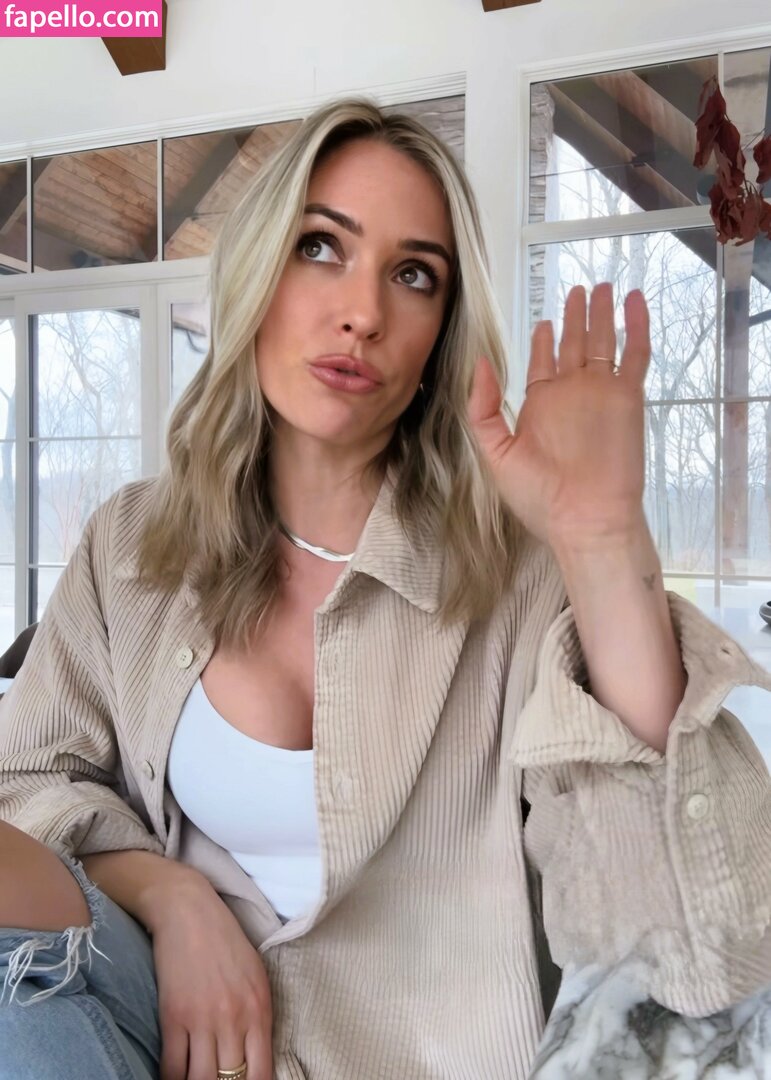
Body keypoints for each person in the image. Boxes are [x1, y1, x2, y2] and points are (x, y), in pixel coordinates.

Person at [0, 96, 769, 1080]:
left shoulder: (515, 576)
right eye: (321, 247)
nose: (362, 312)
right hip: (162, 1034)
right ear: (257, 273)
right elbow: (27, 781)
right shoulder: (131, 544)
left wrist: (603, 546)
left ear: (440, 334)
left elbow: (693, 955)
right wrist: (168, 895)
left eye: (413, 275)